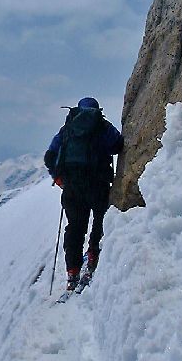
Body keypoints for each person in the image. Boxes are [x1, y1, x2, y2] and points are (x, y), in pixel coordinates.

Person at [44, 97, 123, 292]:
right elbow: (117, 145)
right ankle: (93, 256)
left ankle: (72, 271)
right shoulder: (102, 125)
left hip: (72, 186)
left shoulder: (68, 129)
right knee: (99, 220)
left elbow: (50, 156)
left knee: (75, 228)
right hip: (97, 183)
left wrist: (58, 177)